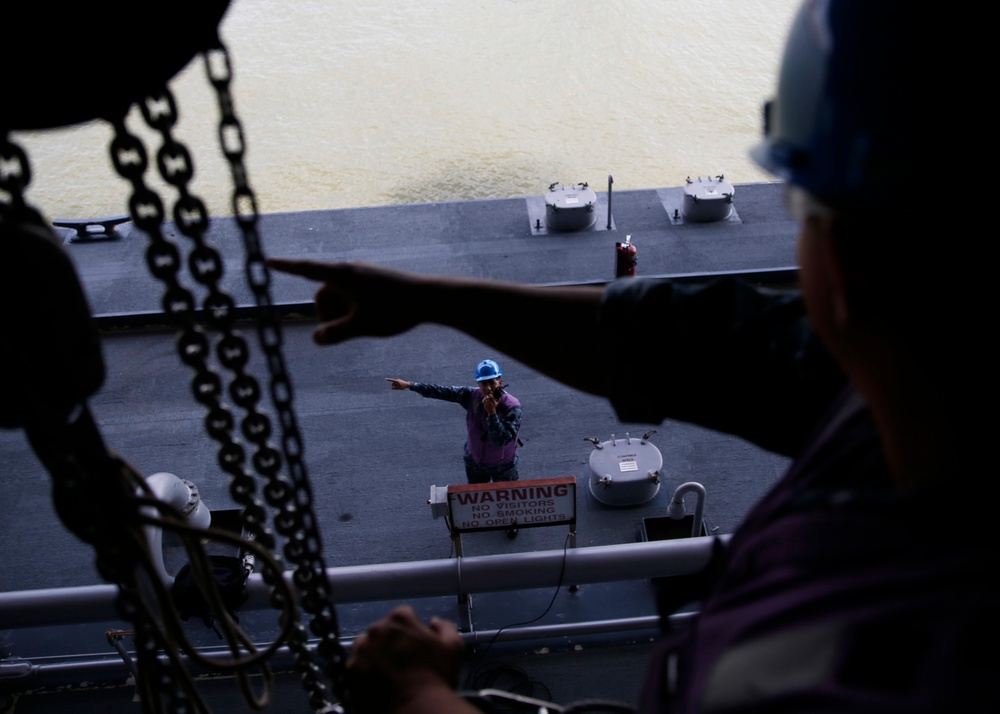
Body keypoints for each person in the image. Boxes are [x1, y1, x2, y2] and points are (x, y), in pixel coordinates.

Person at [270, 2, 992, 712]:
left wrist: (415, 696)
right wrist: (435, 300)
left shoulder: (889, 659)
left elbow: (687, 341)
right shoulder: (887, 386)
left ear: (845, 265)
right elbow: (677, 338)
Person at [385, 359, 522, 490]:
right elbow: (443, 391)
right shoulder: (472, 396)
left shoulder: (512, 407)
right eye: (484, 384)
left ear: (500, 382)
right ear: (478, 385)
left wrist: (491, 413)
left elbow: (501, 440)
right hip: (475, 462)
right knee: (477, 500)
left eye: (492, 383)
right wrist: (410, 385)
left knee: (507, 500)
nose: (489, 388)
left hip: (503, 465)